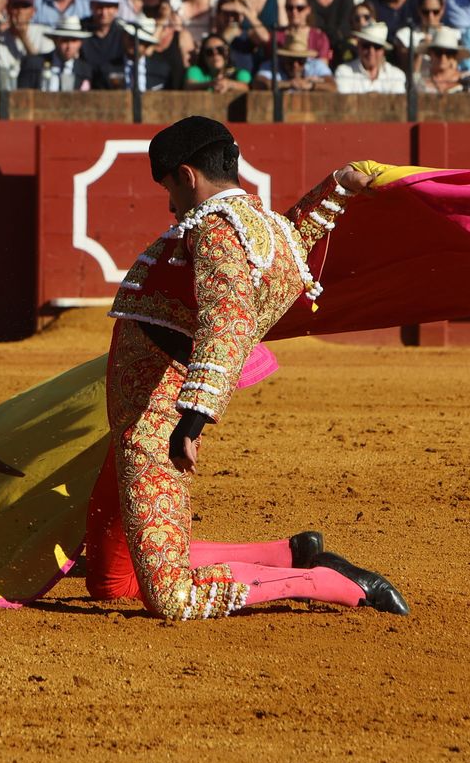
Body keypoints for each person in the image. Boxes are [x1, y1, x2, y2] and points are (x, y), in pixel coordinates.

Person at [81, 116, 406, 621]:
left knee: (172, 597)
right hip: (134, 419)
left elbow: (226, 324)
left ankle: (330, 582)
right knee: (109, 578)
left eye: (169, 186)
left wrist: (192, 419)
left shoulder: (215, 232)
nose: (170, 203)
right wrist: (337, 186)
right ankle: (290, 553)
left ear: (187, 176)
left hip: (155, 419)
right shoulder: (266, 226)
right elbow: (301, 236)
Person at [16, 14, 92, 88]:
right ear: (55, 40)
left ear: (80, 43)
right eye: (64, 40)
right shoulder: (34, 65)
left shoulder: (85, 71)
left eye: (74, 41)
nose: (69, 46)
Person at [333, 20, 405, 92]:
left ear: (383, 50)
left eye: (377, 46)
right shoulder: (344, 72)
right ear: (359, 47)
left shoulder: (396, 75)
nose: (371, 51)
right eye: (366, 46)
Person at [420, 25, 470, 91]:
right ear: (430, 54)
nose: (443, 57)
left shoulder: (465, 80)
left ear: (454, 57)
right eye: (438, 52)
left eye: (449, 53)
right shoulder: (421, 82)